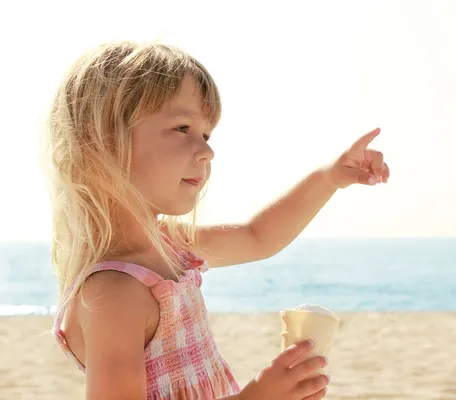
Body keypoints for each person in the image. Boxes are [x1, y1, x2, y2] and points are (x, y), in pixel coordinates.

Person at [46, 40, 390, 400]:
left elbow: (259, 237)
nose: (208, 151)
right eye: (182, 128)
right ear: (100, 140)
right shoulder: (113, 294)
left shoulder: (169, 246)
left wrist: (328, 177)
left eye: (206, 135)